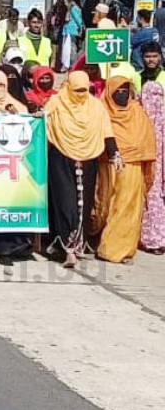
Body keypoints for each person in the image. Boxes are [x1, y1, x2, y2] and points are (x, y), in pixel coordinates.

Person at [44, 71, 113, 268]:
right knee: (65, 204)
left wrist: (114, 154)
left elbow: (106, 131)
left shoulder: (96, 106)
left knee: (84, 204)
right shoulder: (56, 103)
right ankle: (67, 249)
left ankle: (77, 246)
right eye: (77, 90)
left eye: (84, 90)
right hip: (61, 158)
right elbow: (43, 123)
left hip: (89, 158)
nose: (81, 94)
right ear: (69, 87)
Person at [91, 76, 155, 264]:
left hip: (132, 165)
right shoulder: (101, 110)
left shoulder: (137, 111)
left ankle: (115, 249)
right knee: (104, 205)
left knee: (127, 207)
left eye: (125, 91)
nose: (121, 94)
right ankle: (94, 238)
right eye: (117, 91)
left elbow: (145, 137)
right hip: (107, 164)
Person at [139, 81, 165, 254]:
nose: (154, 101)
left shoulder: (142, 115)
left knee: (152, 202)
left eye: (158, 97)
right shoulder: (137, 115)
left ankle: (154, 239)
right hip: (145, 164)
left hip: (154, 166)